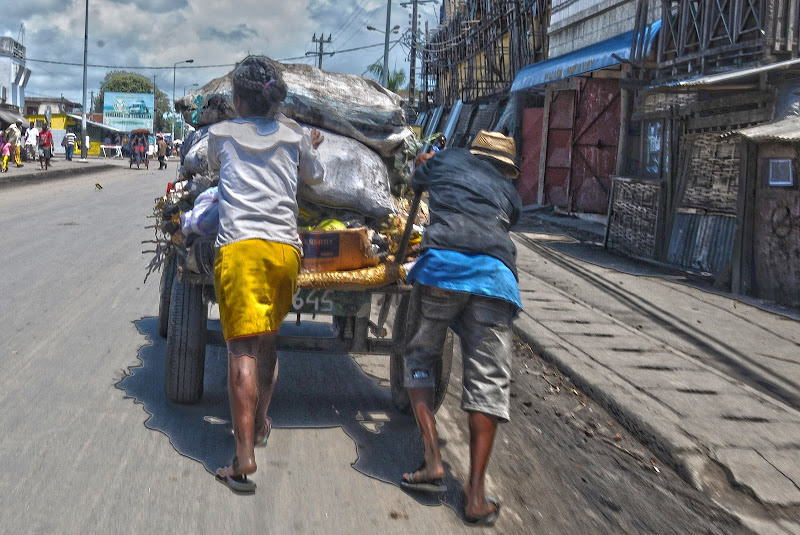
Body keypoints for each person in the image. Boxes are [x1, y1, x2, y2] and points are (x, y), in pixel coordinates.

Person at [207, 56, 326, 494]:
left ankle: (243, 459)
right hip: (283, 253)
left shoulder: (219, 134)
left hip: (240, 251)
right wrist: (308, 143)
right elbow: (317, 176)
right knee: (268, 339)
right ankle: (258, 427)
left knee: (241, 350)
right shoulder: (295, 135)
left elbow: (212, 173)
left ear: (238, 99)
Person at [399, 130, 522, 527]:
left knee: (419, 357)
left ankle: (432, 459)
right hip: (494, 279)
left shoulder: (447, 159)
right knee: (487, 383)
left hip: (442, 269)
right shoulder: (509, 192)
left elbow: (415, 180)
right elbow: (506, 223)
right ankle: (475, 496)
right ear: (506, 168)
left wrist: (424, 165)